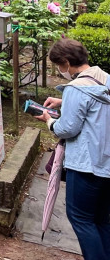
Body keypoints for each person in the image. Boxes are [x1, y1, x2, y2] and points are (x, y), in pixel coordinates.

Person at [34, 37, 110, 260]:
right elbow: (94, 109)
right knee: (101, 220)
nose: (60, 70)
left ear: (66, 62)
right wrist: (63, 102)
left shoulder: (76, 88)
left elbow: (67, 128)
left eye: (59, 65)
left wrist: (49, 120)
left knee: (80, 218)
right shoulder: (105, 79)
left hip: (86, 165)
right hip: (106, 163)